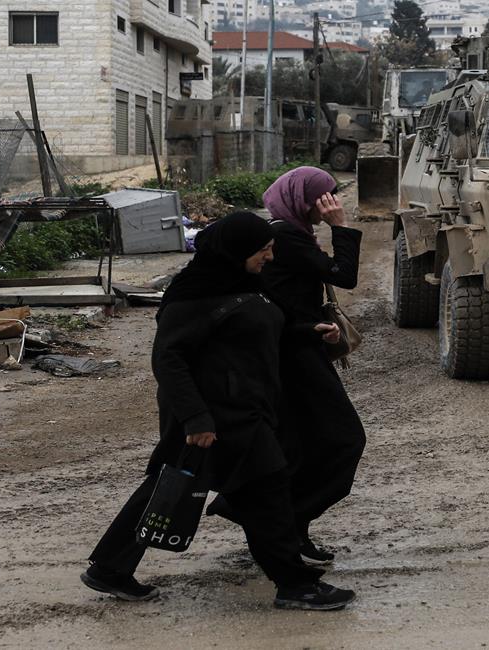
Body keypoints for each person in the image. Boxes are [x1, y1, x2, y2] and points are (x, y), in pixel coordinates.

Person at [82, 211, 355, 611]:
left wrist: (306, 331)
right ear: (237, 250)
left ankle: (109, 567)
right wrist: (196, 418)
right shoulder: (192, 295)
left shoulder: (246, 283)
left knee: (166, 491)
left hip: (241, 409)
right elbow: (168, 360)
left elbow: (263, 330)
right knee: (266, 488)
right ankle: (294, 584)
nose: (270, 258)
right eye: (263, 250)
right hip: (211, 416)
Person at [257, 166, 366, 564]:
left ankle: (291, 530)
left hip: (302, 345)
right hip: (295, 356)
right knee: (344, 439)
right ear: (304, 200)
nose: (331, 203)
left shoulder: (291, 233)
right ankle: (288, 523)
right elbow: (345, 275)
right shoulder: (286, 236)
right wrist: (341, 225)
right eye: (325, 197)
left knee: (303, 445)